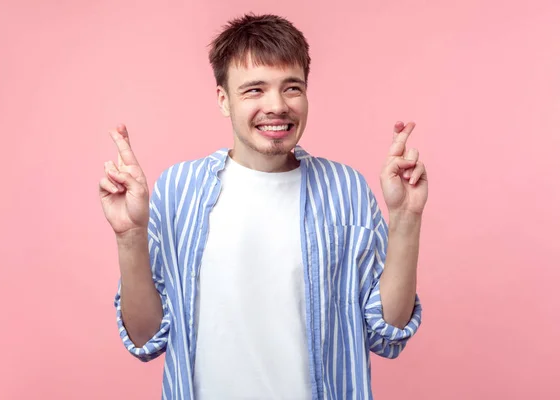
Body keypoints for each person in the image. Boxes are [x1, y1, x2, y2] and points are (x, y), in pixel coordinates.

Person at [99, 13, 427, 400]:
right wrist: (130, 236)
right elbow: (145, 337)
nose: (277, 106)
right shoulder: (178, 189)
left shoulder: (346, 189)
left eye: (292, 88)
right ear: (224, 100)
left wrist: (406, 219)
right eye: (255, 89)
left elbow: (386, 333)